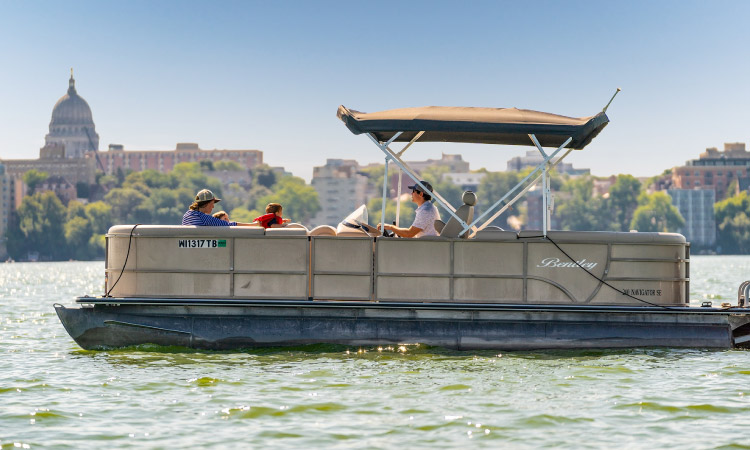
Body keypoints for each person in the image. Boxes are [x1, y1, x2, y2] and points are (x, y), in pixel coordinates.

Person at [182, 189, 255, 226]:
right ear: (206, 203)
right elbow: (229, 225)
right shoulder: (203, 218)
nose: (213, 207)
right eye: (212, 203)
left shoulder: (187, 214)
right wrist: (253, 225)